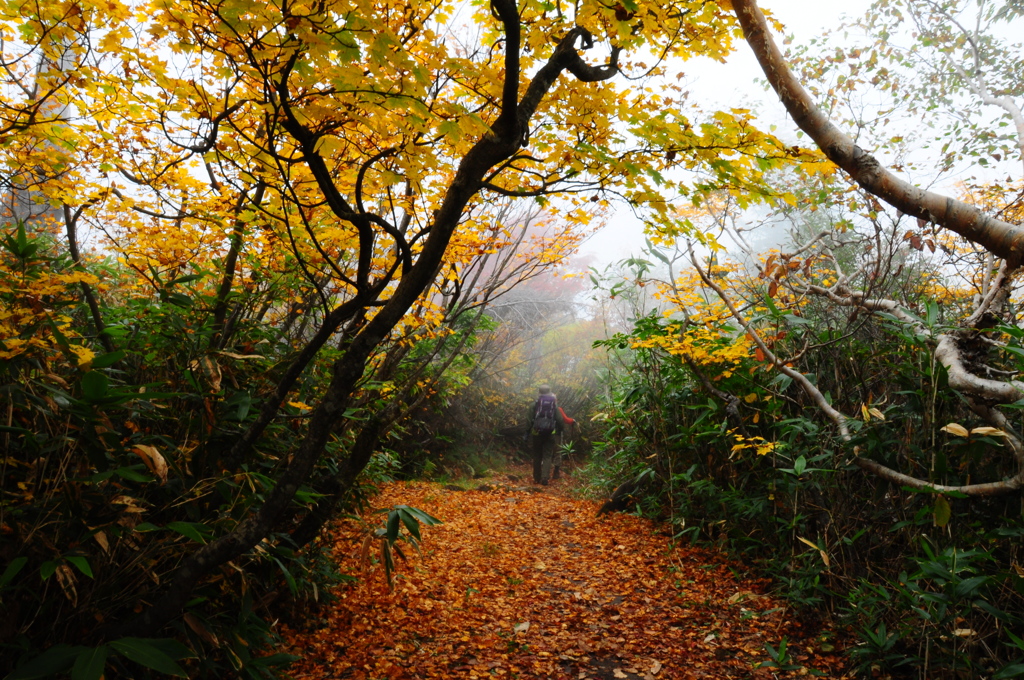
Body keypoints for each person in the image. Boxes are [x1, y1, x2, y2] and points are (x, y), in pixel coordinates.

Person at [529, 385, 559, 485]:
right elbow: (559, 420)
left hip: (536, 433)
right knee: (547, 456)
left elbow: (529, 420)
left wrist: (526, 432)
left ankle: (537, 477)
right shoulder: (553, 405)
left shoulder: (534, 404)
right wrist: (559, 430)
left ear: (539, 392)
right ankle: (545, 477)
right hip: (550, 433)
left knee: (537, 455)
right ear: (549, 392)